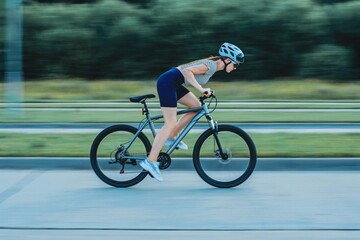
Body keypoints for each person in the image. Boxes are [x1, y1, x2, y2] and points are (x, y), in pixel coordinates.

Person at [139, 42, 245, 181]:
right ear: (227, 60)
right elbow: (186, 72)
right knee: (170, 123)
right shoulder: (211, 65)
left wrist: (205, 90)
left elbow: (188, 74)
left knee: (196, 106)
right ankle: (151, 162)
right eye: (236, 64)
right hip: (168, 83)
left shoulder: (212, 66)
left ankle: (172, 137)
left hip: (174, 83)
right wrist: (201, 89)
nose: (236, 67)